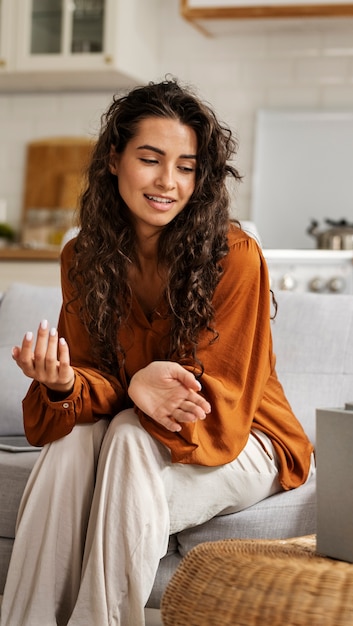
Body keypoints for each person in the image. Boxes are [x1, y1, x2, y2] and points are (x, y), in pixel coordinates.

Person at [1, 78, 314, 626]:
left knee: (126, 434)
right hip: (148, 430)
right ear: (114, 161)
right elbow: (92, 374)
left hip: (246, 436)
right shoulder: (82, 255)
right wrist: (63, 385)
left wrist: (135, 389)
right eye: (150, 159)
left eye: (187, 166)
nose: (168, 181)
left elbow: (206, 400)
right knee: (72, 444)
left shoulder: (234, 256)